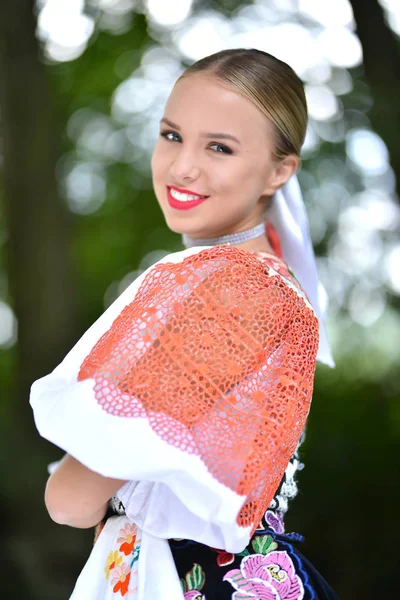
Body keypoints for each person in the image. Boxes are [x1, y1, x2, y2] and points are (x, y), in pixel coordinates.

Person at [30, 48, 338, 599]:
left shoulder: (236, 292)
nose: (182, 166)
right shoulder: (269, 278)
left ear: (280, 170)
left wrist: (89, 480)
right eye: (172, 135)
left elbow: (69, 500)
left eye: (218, 147)